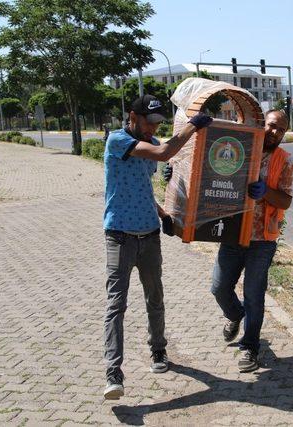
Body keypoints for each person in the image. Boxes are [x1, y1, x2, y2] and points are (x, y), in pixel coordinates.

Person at [103, 94, 212, 400]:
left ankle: (159, 352)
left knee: (155, 297)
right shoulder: (117, 140)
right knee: (116, 305)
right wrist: (191, 126)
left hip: (148, 235)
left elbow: (141, 188)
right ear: (132, 117)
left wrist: (162, 214)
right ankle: (113, 372)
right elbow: (165, 152)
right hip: (120, 237)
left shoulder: (146, 143)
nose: (153, 128)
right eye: (148, 123)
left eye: (157, 124)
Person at [212, 109, 293, 372]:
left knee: (254, 296)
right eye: (272, 126)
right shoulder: (241, 150)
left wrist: (265, 191)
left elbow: (286, 200)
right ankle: (235, 315)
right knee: (219, 288)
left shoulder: (286, 161)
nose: (275, 133)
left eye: (281, 130)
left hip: (263, 239)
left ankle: (250, 348)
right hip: (234, 233)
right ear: (262, 124)